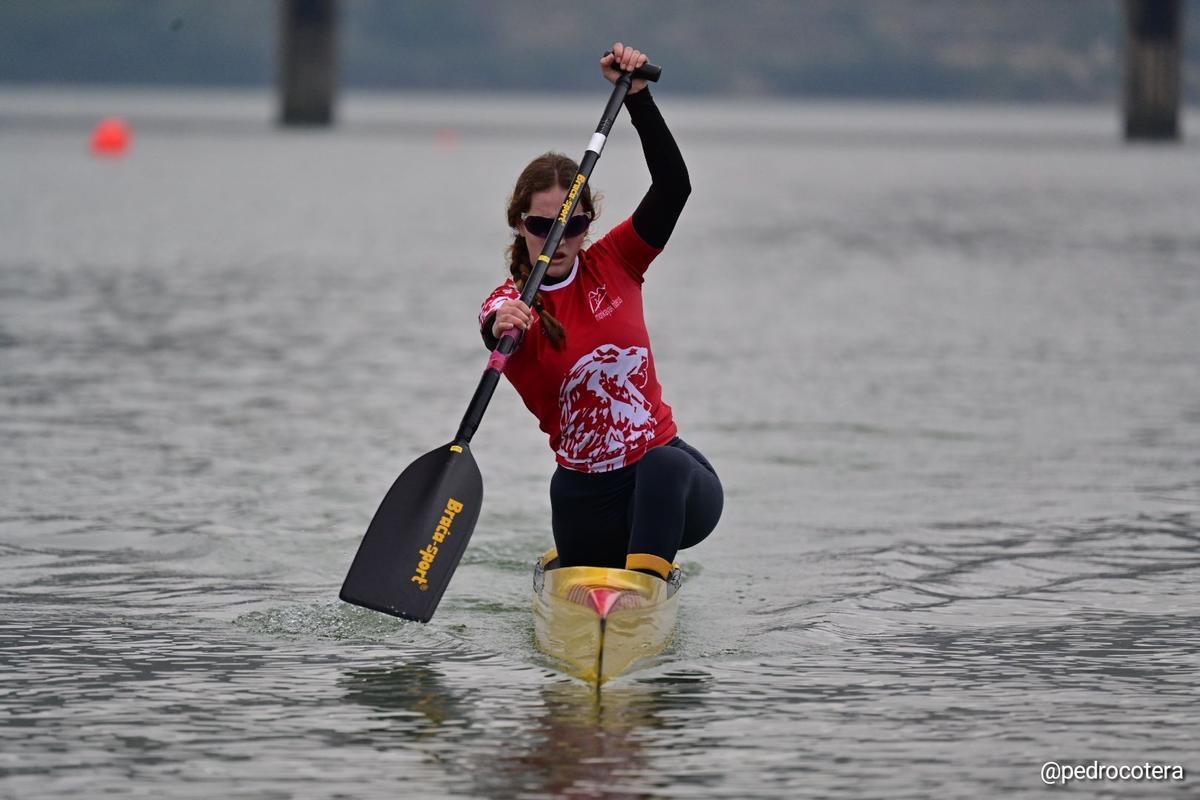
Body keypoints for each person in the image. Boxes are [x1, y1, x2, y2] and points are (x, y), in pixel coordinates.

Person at [478, 43, 722, 580]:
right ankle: (604, 566)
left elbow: (675, 188)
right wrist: (500, 326)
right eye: (542, 226)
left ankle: (644, 584)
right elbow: (492, 325)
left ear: (589, 223)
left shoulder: (617, 261)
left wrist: (638, 99)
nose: (557, 239)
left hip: (671, 486)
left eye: (573, 225)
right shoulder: (510, 304)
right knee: (567, 486)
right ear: (520, 225)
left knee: (663, 463)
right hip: (586, 499)